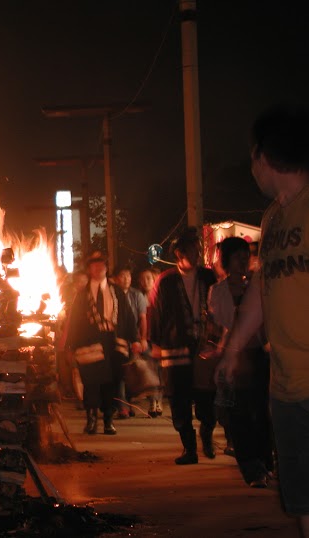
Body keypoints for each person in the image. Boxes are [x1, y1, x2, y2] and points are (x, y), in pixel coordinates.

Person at [216, 104, 309, 533]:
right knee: (300, 498)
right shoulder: (273, 219)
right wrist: (233, 348)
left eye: (252, 155)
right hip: (286, 387)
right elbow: (260, 290)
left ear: (265, 156)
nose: (251, 165)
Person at [147, 227, 217, 465]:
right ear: (179, 253)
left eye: (198, 250)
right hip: (174, 348)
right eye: (192, 250)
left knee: (207, 399)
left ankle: (207, 430)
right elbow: (154, 313)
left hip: (204, 347)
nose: (197, 255)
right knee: (179, 400)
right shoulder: (165, 281)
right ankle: (189, 448)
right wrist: (154, 342)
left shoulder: (208, 277)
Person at [208, 237, 273, 488]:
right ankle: (251, 467)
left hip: (258, 354)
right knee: (239, 414)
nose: (243, 262)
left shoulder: (257, 287)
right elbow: (217, 326)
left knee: (262, 412)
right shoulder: (218, 291)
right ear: (226, 261)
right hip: (233, 357)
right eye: (238, 257)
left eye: (246, 257)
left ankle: (266, 462)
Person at [66, 252, 140, 435]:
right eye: (94, 265)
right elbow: (74, 320)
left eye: (102, 265)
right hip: (89, 343)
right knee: (90, 382)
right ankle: (91, 420)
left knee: (111, 383)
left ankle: (108, 420)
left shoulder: (116, 292)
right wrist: (71, 345)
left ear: (106, 268)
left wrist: (136, 339)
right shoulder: (82, 295)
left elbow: (129, 317)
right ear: (89, 268)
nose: (99, 268)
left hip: (113, 343)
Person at [114, 267, 149, 418]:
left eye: (128, 275)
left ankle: (128, 403)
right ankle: (123, 407)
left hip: (132, 336)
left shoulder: (136, 295)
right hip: (117, 338)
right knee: (121, 373)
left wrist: (142, 338)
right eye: (123, 276)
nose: (126, 279)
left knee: (131, 372)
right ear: (116, 278)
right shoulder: (112, 293)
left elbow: (142, 318)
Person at [138, 267, 163, 416]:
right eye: (143, 279)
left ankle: (158, 401)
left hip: (158, 339)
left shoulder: (160, 297)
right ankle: (153, 402)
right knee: (151, 372)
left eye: (149, 278)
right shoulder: (138, 297)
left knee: (159, 371)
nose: (146, 281)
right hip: (146, 340)